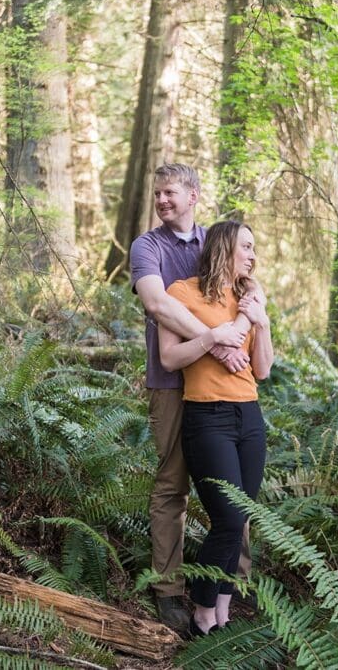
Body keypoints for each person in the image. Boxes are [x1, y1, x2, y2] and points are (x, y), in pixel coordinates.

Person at [130, 164, 258, 632]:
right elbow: (158, 303)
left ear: (194, 196)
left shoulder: (216, 241)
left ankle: (233, 583)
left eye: (170, 193)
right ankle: (167, 590)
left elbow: (247, 285)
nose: (162, 200)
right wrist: (216, 339)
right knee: (172, 484)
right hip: (172, 382)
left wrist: (232, 337)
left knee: (237, 493)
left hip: (225, 388)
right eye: (157, 193)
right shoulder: (148, 246)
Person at [158, 220, 273, 636]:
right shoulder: (182, 293)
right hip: (207, 417)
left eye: (254, 248)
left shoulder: (249, 296)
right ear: (224, 247)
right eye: (246, 246)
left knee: (241, 517)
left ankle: (222, 610)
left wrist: (261, 321)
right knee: (227, 518)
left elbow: (262, 368)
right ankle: (202, 611)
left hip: (249, 417)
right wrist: (214, 338)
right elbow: (171, 359)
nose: (252, 255)